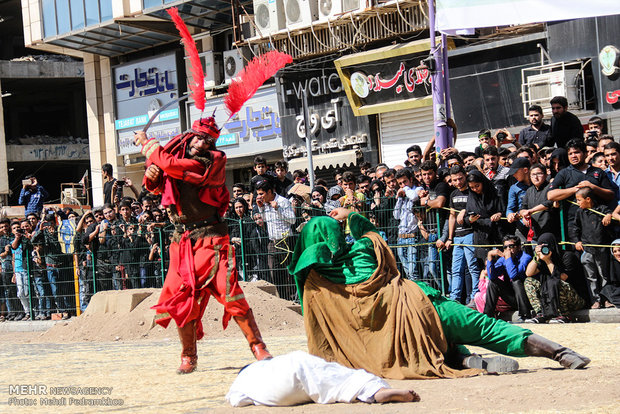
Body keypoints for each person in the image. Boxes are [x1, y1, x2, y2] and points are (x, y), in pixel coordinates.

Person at [288, 208, 590, 381]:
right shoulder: (363, 249)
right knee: (484, 327)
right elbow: (368, 230)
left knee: (431, 346)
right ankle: (559, 352)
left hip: (396, 339)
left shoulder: (317, 284)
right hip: (423, 306)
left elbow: (309, 303)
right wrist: (351, 213)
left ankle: (463, 359)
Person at [133, 117, 272, 375]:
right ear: (189, 135)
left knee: (229, 292)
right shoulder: (172, 154)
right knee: (180, 300)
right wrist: (151, 175)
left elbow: (172, 165)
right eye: (198, 137)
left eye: (208, 140)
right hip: (182, 240)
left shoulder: (213, 162)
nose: (202, 143)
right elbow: (155, 185)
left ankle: (258, 347)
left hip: (212, 238)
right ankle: (188, 355)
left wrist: (148, 145)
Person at [226, 351, 419, 407]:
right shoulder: (265, 365)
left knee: (330, 384)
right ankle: (375, 391)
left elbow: (236, 401)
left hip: (277, 394)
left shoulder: (240, 383)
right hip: (292, 366)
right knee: (336, 376)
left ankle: (371, 392)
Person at [547, 139, 616, 242]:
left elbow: (610, 195)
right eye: (570, 153)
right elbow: (551, 195)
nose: (573, 156)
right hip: (576, 226)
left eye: (577, 152)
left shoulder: (598, 172)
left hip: (600, 224)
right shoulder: (564, 173)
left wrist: (592, 187)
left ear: (585, 153)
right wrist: (575, 189)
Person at [524, 233, 586, 323]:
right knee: (529, 281)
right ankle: (541, 312)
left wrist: (548, 261)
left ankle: (564, 315)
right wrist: (536, 257)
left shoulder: (568, 256)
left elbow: (562, 278)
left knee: (556, 282)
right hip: (551, 298)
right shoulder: (542, 258)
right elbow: (528, 273)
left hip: (575, 300)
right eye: (541, 246)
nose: (544, 249)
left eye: (546, 246)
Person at [254, 179, 296, 300]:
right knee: (275, 274)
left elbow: (292, 220)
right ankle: (283, 300)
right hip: (272, 243)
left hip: (285, 241)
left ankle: (294, 300)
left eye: (261, 194)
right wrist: (261, 209)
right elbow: (265, 221)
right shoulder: (265, 205)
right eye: (258, 194)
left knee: (289, 273)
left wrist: (278, 209)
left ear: (269, 192)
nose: (259, 196)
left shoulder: (282, 201)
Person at [443, 166, 479, 305]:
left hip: (470, 233)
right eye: (454, 180)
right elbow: (451, 217)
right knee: (456, 269)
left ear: (465, 176)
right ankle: (454, 299)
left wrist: (464, 210)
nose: (458, 182)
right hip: (457, 237)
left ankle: (475, 297)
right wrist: (450, 238)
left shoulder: (472, 192)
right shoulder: (453, 194)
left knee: (473, 267)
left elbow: (477, 209)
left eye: (460, 178)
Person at [574, 187, 613, 308]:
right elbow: (575, 228)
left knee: (604, 275)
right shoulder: (580, 212)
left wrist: (609, 215)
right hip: (587, 248)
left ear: (588, 199)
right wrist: (577, 241)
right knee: (590, 276)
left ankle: (606, 299)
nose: (577, 203)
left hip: (601, 249)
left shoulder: (601, 209)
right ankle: (595, 300)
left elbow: (610, 214)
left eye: (579, 200)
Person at [484, 236, 533, 322]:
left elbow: (514, 275)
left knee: (516, 281)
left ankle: (525, 315)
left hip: (527, 299)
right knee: (493, 282)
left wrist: (509, 258)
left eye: (511, 246)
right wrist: (490, 257)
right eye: (505, 247)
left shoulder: (525, 258)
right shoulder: (504, 258)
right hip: (512, 298)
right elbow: (492, 276)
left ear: (518, 247)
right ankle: (488, 315)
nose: (508, 249)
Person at [393, 169, 420, 280]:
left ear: (411, 180)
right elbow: (396, 215)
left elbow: (414, 197)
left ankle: (417, 289)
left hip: (412, 235)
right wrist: (399, 198)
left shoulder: (417, 189)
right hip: (401, 235)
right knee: (405, 267)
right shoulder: (402, 195)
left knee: (413, 269)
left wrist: (405, 189)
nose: (403, 185)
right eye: (400, 184)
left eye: (405, 182)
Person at [599, 239, 620, 308]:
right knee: (606, 289)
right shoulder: (613, 264)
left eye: (619, 250)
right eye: (615, 251)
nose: (618, 254)